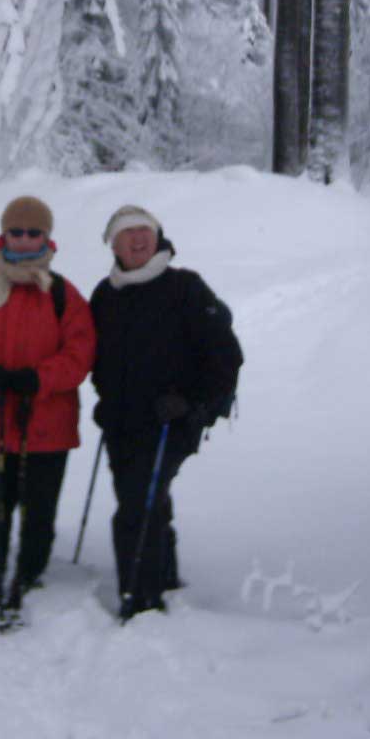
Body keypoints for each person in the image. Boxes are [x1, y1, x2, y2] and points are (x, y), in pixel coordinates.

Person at [0, 194, 96, 619]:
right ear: (3, 235)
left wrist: (39, 379)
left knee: (38, 510)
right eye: (17, 231)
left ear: (46, 237)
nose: (25, 240)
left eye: (34, 232)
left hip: (48, 425)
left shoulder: (63, 294)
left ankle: (29, 574)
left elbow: (80, 353)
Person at [89, 204, 243, 619]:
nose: (138, 239)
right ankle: (166, 573)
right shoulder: (106, 294)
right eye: (128, 233)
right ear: (113, 243)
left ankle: (140, 599)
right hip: (122, 420)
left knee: (136, 505)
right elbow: (94, 357)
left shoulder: (185, 288)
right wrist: (104, 397)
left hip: (170, 421)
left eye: (146, 231)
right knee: (146, 496)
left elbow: (226, 354)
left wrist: (194, 402)